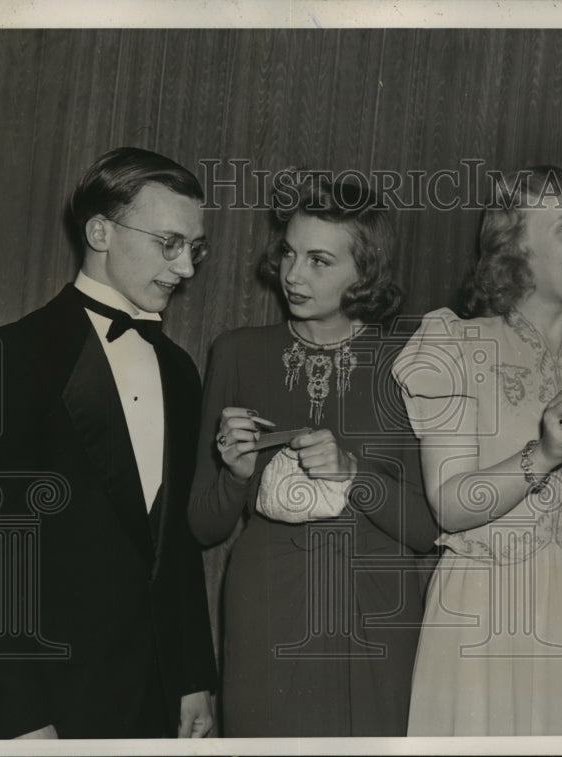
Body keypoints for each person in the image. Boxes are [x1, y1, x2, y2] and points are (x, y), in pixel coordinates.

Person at [0, 147, 217, 739]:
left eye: (194, 248)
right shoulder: (14, 356)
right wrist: (20, 718)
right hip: (49, 702)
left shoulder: (179, 369)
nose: (186, 268)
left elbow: (172, 545)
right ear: (100, 231)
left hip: (153, 697)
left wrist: (192, 675)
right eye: (168, 244)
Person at [393, 166, 562, 736]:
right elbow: (451, 506)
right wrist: (545, 454)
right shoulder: (455, 344)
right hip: (484, 608)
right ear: (514, 245)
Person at [188, 174, 439, 737]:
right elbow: (203, 525)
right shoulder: (236, 353)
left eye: (320, 261)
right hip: (269, 601)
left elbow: (426, 529)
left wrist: (354, 474)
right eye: (289, 253)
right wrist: (236, 474)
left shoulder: (409, 355)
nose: (294, 275)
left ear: (365, 272)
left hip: (377, 602)